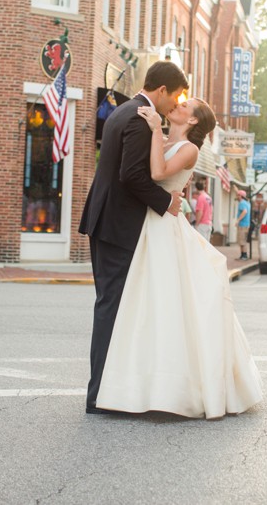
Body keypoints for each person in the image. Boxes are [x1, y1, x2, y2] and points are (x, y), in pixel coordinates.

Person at [96, 97, 264, 419]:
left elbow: (157, 172)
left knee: (169, 306)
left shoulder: (189, 148)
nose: (178, 104)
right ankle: (137, 387)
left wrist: (155, 128)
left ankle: (175, 391)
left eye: (186, 105)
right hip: (149, 225)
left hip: (165, 230)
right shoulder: (163, 136)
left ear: (192, 121)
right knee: (145, 308)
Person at [78, 61, 188, 415]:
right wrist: (166, 202)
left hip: (104, 220)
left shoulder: (122, 110)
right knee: (111, 307)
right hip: (117, 225)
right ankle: (98, 396)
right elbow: (132, 176)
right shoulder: (140, 118)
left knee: (112, 306)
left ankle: (109, 389)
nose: (174, 106)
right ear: (160, 91)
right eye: (174, 98)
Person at [235, 190, 250, 260]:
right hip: (246, 224)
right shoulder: (247, 203)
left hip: (242, 225)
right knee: (242, 240)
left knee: (242, 240)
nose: (237, 196)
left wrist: (238, 220)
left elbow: (245, 211)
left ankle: (244, 255)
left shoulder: (242, 203)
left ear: (240, 196)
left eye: (238, 195)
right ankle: (242, 255)